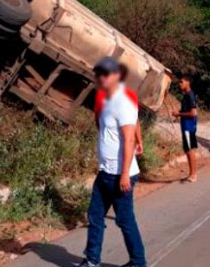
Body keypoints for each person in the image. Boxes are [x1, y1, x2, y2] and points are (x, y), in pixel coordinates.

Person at [79, 57, 146, 267]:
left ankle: (138, 262)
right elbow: (103, 128)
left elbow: (128, 139)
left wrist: (125, 174)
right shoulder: (106, 100)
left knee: (125, 221)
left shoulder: (124, 103)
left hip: (120, 174)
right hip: (106, 171)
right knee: (95, 216)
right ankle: (91, 260)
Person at [172, 75, 198, 182]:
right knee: (188, 149)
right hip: (187, 125)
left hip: (188, 126)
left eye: (181, 82)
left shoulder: (189, 96)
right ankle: (191, 174)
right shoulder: (186, 95)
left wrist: (179, 114)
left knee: (189, 150)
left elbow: (193, 113)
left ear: (188, 82)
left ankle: (193, 174)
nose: (180, 84)